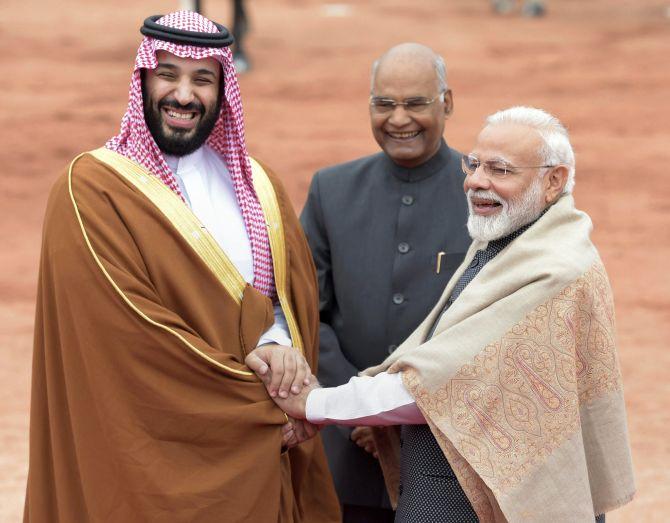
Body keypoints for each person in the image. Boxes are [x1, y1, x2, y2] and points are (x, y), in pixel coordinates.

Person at [23, 11, 339, 522]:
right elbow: (128, 340)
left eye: (203, 80)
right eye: (168, 74)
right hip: (149, 459)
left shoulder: (261, 186)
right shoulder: (92, 191)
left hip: (257, 456)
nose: (184, 96)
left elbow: (288, 299)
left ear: (223, 89)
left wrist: (280, 350)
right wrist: (268, 405)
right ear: (143, 78)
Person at [256, 107, 637, 522]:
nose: (475, 181)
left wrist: (315, 404)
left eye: (500, 170)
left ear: (553, 181)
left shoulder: (552, 270)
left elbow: (434, 385)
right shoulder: (512, 239)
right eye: (473, 164)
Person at [299, 43, 471, 522]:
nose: (399, 119)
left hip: (444, 457)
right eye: (384, 104)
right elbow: (305, 310)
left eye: (416, 103)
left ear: (447, 103)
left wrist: (398, 410)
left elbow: (488, 327)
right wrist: (359, 408)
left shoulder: (485, 196)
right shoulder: (330, 191)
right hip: (346, 451)